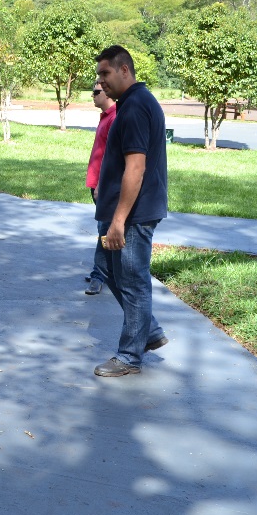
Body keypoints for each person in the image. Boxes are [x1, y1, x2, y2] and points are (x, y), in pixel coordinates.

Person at [91, 45, 169, 377]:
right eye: (99, 74)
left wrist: (119, 220)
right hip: (125, 211)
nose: (100, 81)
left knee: (134, 281)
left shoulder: (136, 107)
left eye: (106, 73)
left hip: (133, 215)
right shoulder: (132, 103)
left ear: (125, 70)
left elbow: (135, 169)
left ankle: (129, 356)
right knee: (113, 273)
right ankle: (147, 331)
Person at [84, 80, 116, 296]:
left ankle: (98, 276)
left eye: (96, 92)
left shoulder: (115, 118)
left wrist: (102, 185)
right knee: (103, 229)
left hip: (103, 186)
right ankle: (106, 271)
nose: (92, 95)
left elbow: (112, 158)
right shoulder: (105, 116)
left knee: (105, 230)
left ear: (107, 93)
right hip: (97, 184)